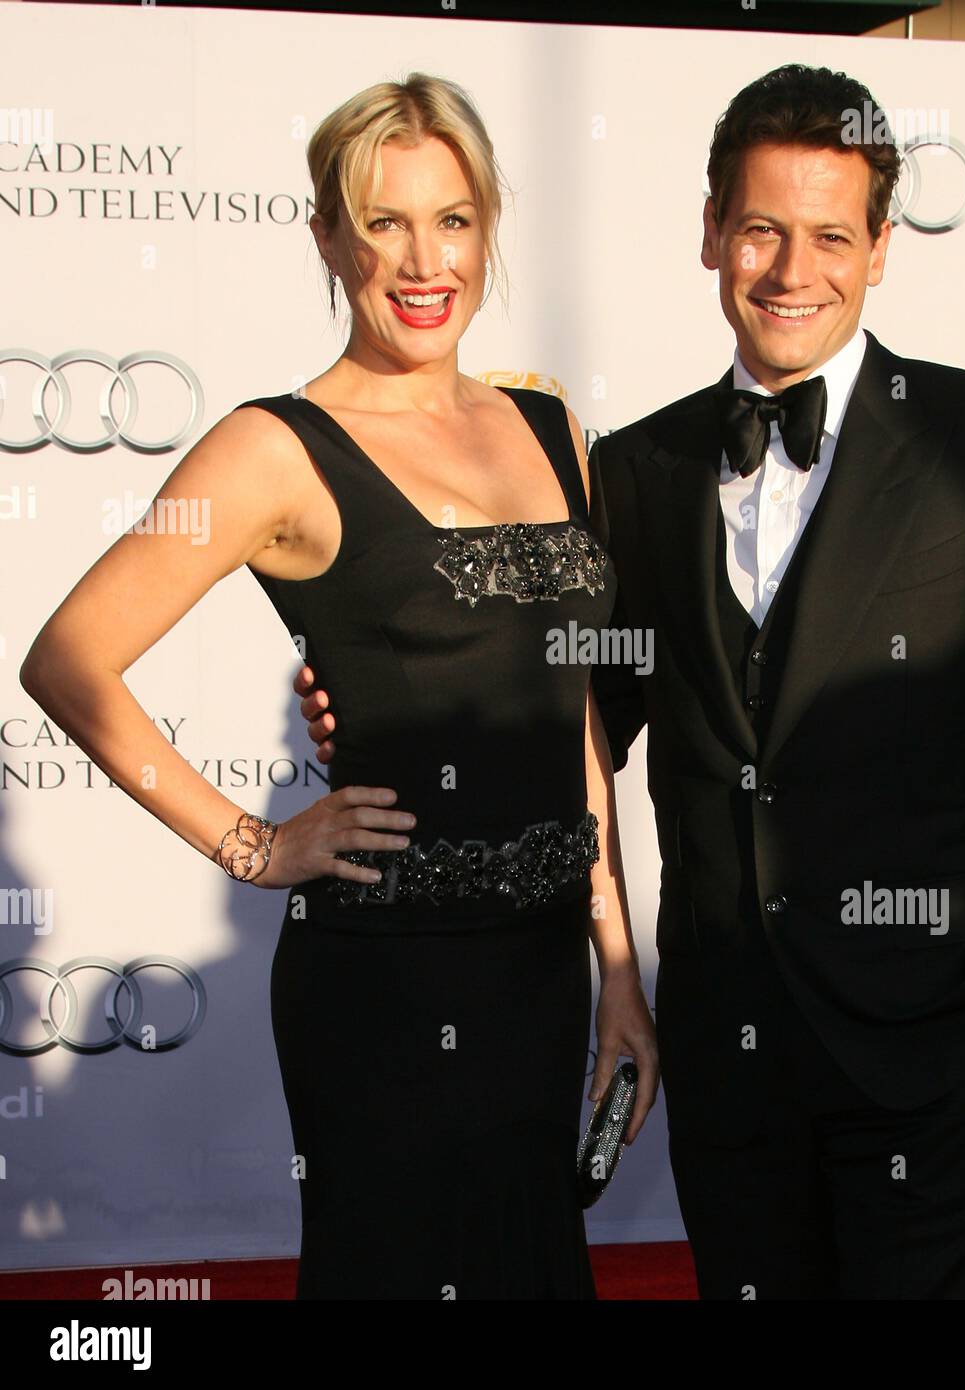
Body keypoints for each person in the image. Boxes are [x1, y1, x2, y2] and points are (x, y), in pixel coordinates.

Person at [303, 62, 965, 1300]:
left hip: (932, 1048)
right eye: (759, 229)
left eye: (827, 236)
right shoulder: (636, 469)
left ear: (878, 249)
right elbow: (581, 717)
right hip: (729, 1054)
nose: (790, 271)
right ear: (710, 234)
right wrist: (382, 700)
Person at [19, 73, 658, 1301]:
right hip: (383, 983)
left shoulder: (547, 425)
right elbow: (67, 659)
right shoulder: (275, 446)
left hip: (537, 977)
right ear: (326, 235)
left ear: (486, 229)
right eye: (384, 222)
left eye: (453, 219)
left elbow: (572, 712)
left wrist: (617, 966)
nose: (425, 261)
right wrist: (254, 844)